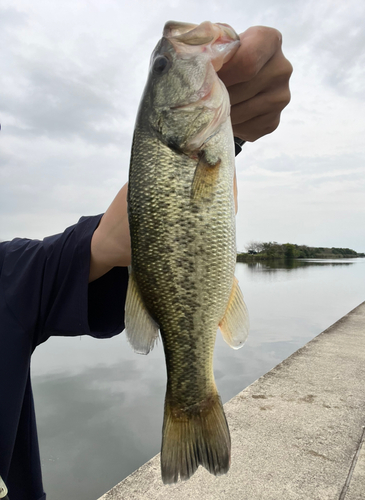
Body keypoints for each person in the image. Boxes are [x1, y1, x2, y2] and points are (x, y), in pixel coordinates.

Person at [0, 26, 292, 500]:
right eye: (162, 69)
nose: (169, 60)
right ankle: (192, 401)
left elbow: (105, 243)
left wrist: (233, 135)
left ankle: (191, 399)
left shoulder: (10, 274)